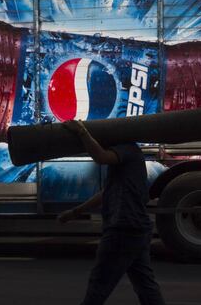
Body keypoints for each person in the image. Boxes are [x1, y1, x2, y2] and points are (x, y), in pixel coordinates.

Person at [57, 120, 166, 305]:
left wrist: (82, 132)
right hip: (136, 228)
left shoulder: (126, 149)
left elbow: (101, 157)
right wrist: (76, 212)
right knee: (145, 286)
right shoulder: (128, 155)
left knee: (100, 284)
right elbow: (106, 192)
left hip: (124, 228)